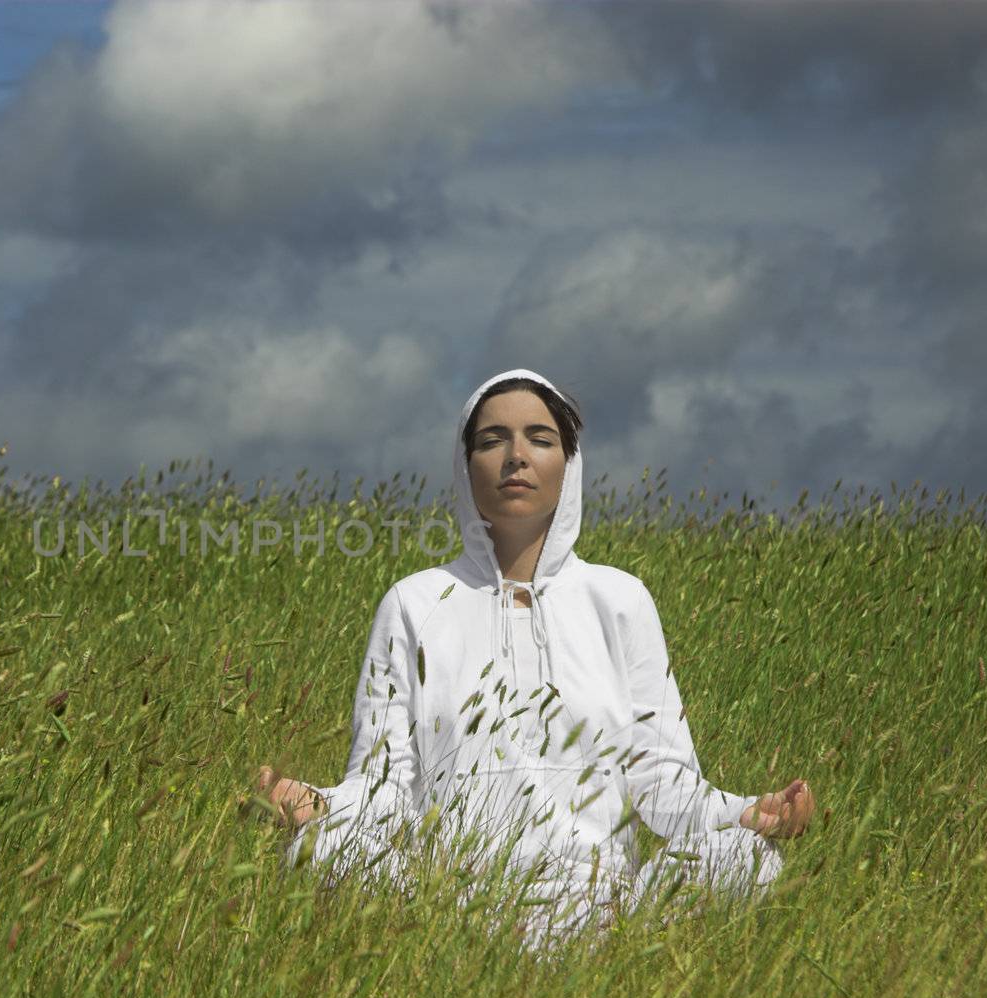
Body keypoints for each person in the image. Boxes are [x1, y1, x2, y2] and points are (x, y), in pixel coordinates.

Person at [252, 368, 814, 950]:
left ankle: (606, 942)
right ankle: (459, 943)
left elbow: (662, 780)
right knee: (320, 850)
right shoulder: (414, 603)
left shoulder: (619, 599)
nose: (516, 456)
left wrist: (749, 813)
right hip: (448, 906)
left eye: (540, 440)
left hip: (604, 906)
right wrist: (318, 805)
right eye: (492, 440)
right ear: (464, 463)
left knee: (751, 858)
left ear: (569, 464)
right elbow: (386, 783)